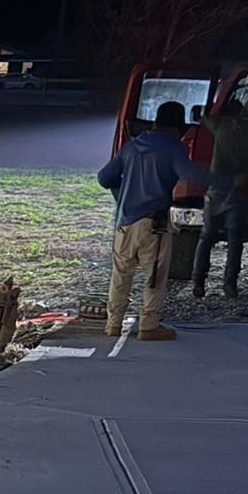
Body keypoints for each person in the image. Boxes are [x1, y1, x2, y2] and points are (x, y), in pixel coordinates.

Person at [97, 101, 209, 340]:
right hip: (153, 224)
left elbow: (104, 178)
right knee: (154, 276)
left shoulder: (131, 146)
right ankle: (149, 326)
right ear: (179, 126)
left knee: (120, 275)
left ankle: (113, 324)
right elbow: (190, 174)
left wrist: (124, 191)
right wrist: (221, 181)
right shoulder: (172, 147)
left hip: (124, 222)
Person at [193, 92, 248, 300]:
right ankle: (230, 286)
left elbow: (202, 115)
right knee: (235, 241)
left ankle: (198, 284)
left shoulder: (221, 125)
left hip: (216, 188)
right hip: (237, 190)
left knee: (206, 237)